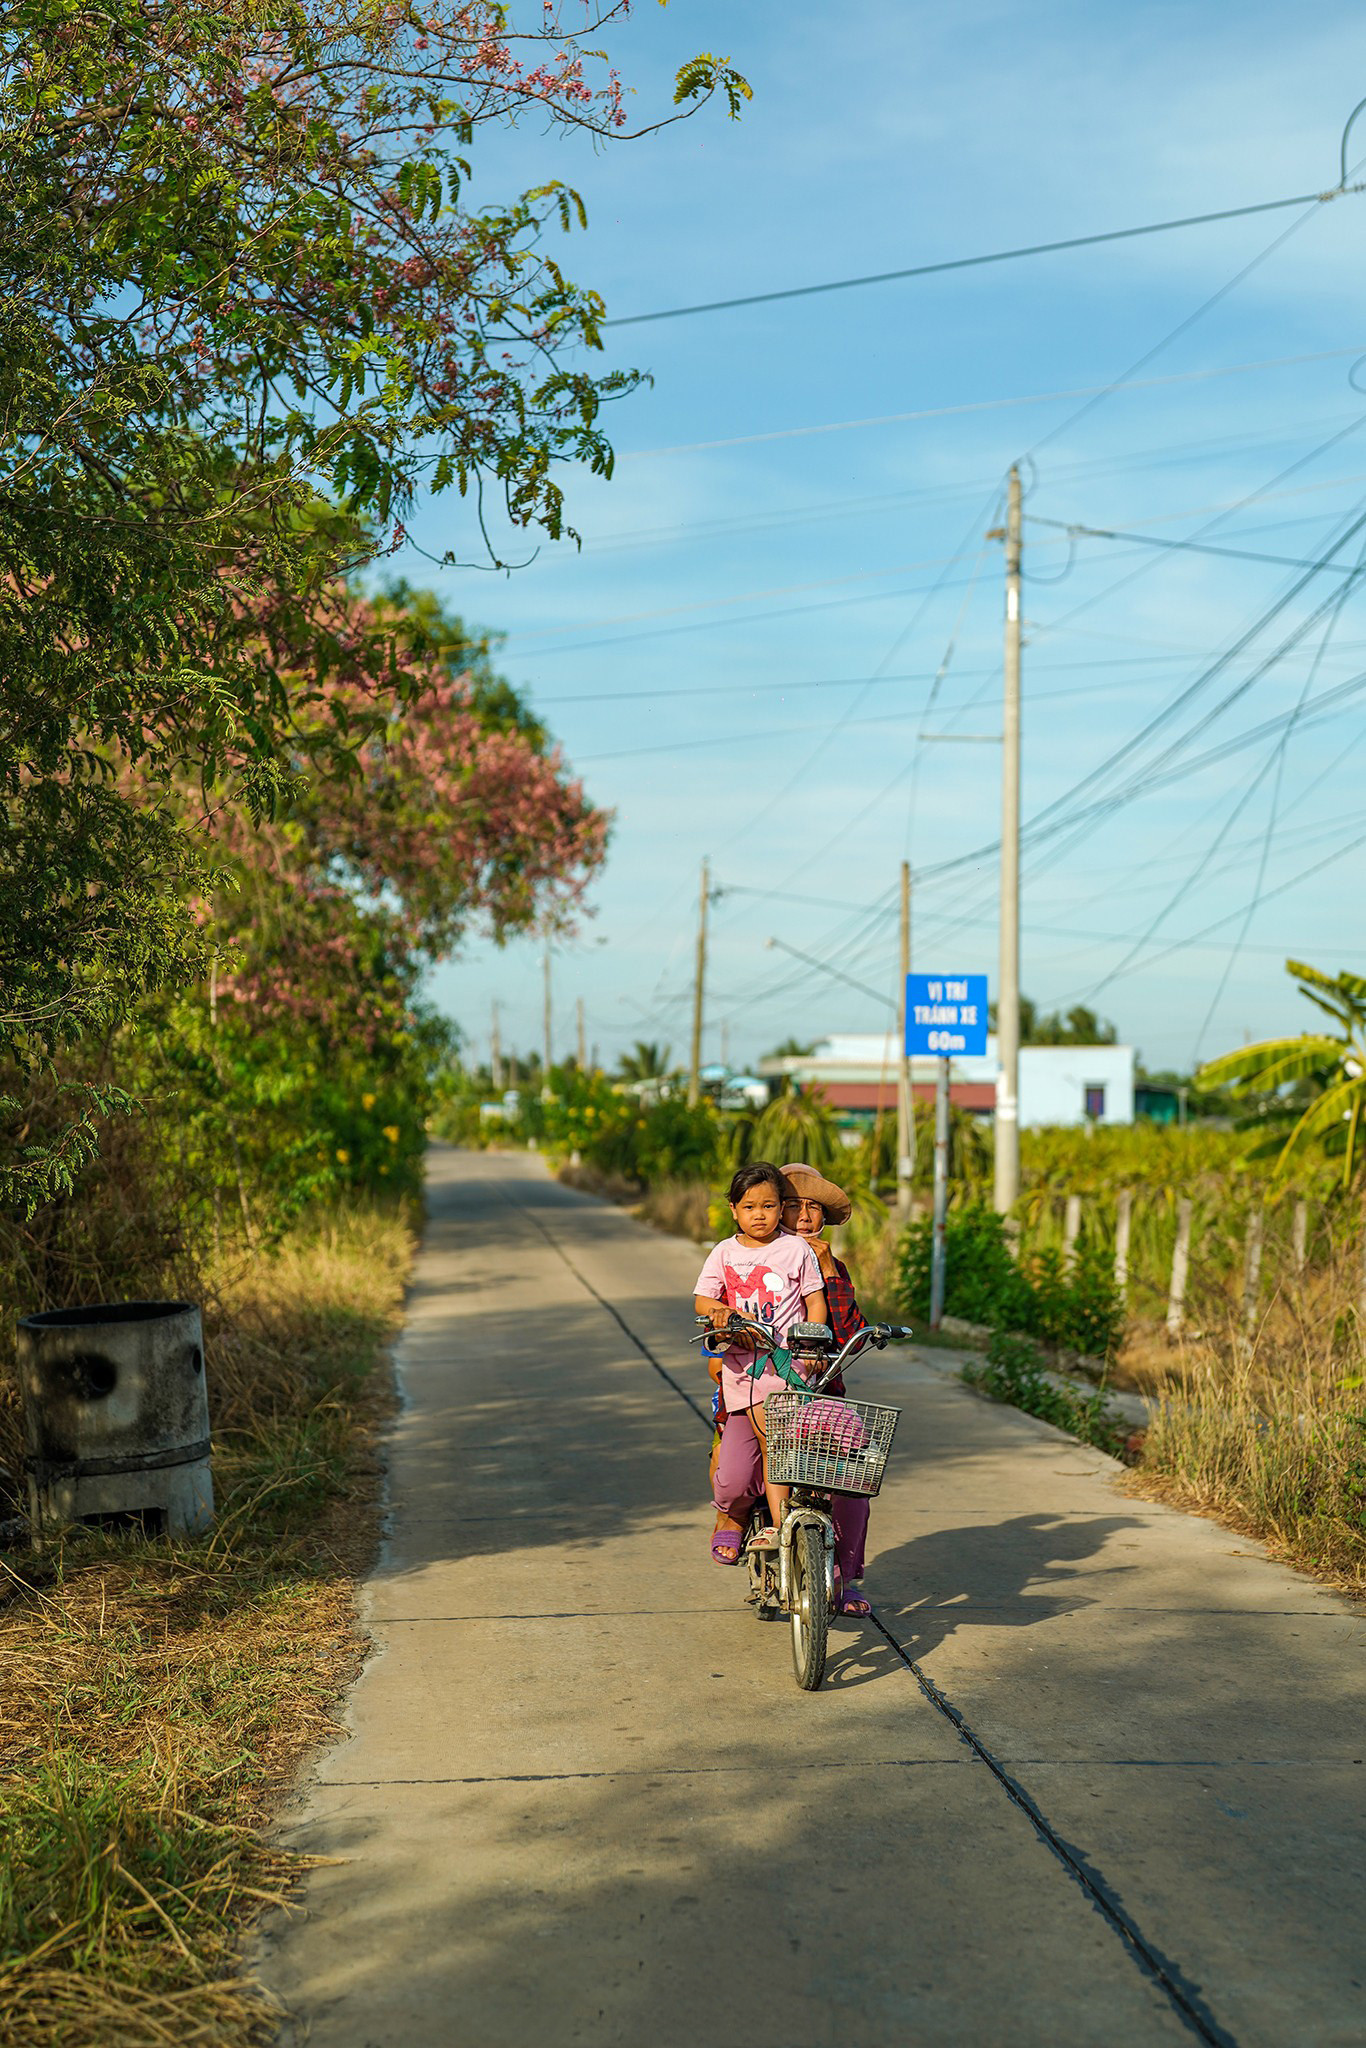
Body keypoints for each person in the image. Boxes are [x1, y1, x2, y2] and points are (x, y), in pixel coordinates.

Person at [694, 1161, 827, 1562]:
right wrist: (719, 1311)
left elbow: (815, 1302)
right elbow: (702, 1299)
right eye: (749, 1206)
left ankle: (779, 1525)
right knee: (732, 1480)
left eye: (769, 1206)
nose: (759, 1215)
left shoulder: (796, 1249)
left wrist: (812, 1345)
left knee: (780, 1454)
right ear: (734, 1209)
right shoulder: (724, 1252)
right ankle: (730, 1513)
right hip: (741, 1378)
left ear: (779, 1207)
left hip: (788, 1375)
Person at [778, 1161, 873, 1617]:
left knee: (853, 1477)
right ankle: (748, 1527)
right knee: (748, 1461)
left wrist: (827, 1267)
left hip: (822, 1391)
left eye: (813, 1207)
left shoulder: (832, 1264)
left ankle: (847, 1576)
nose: (803, 1215)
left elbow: (852, 1328)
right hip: (764, 1390)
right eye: (793, 1205)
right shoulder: (755, 1260)